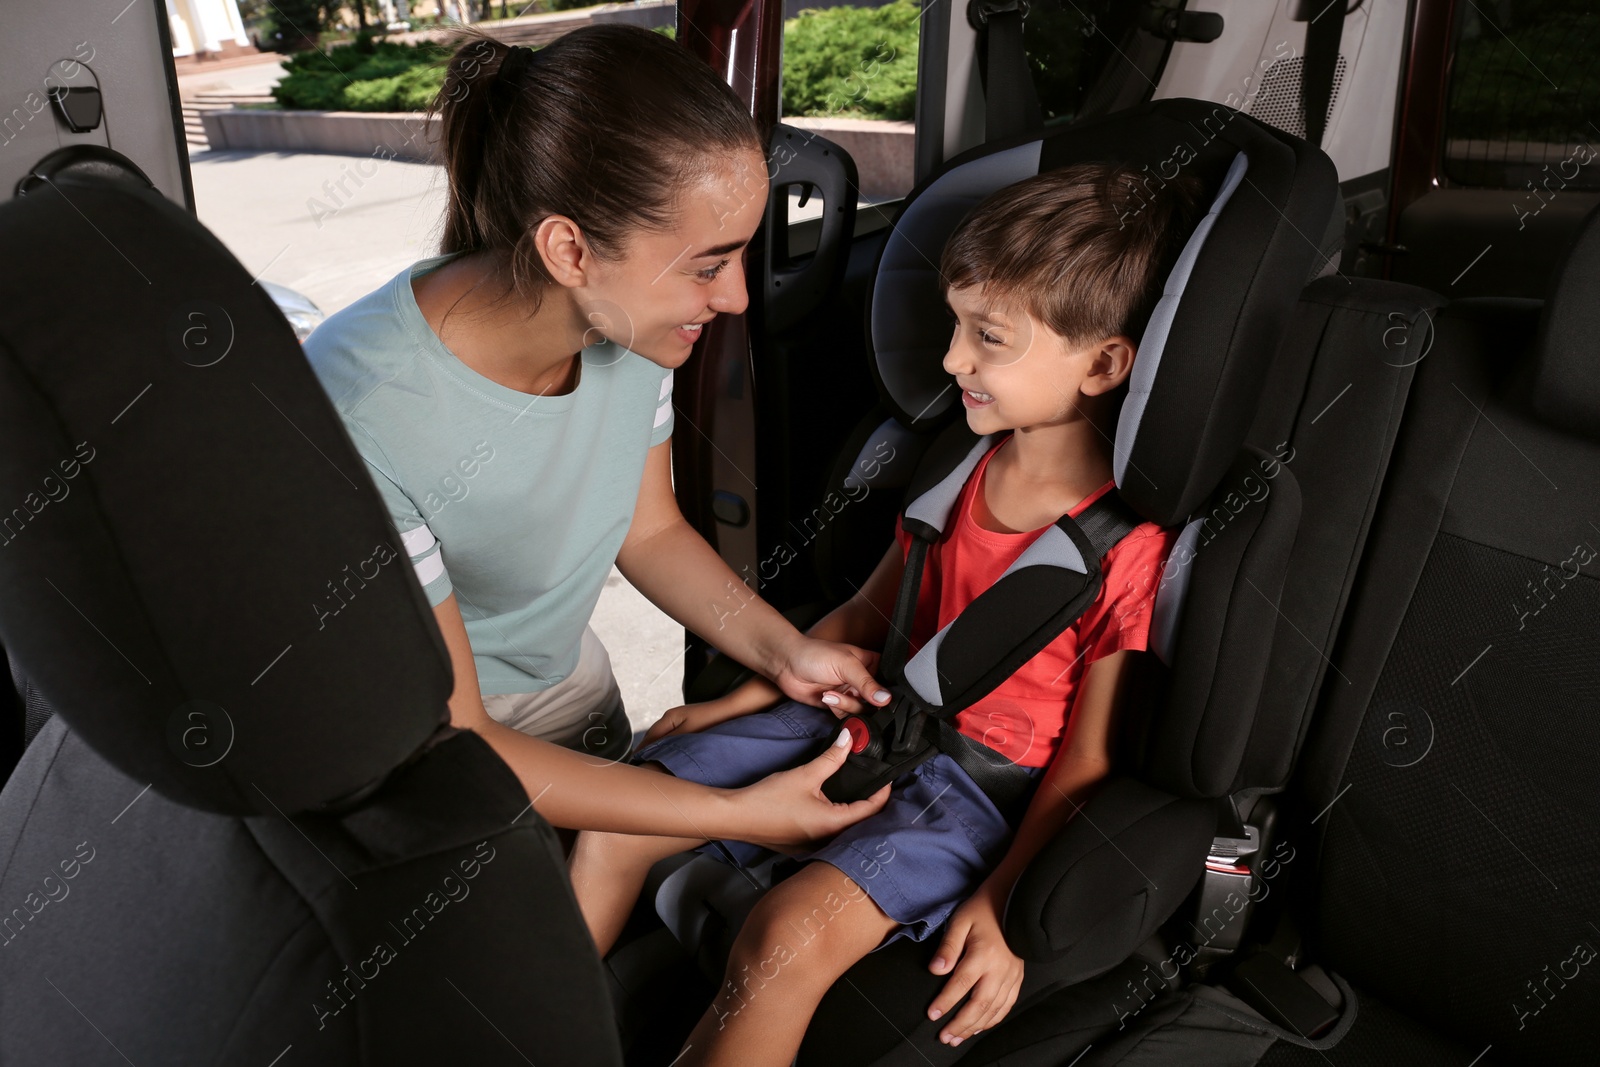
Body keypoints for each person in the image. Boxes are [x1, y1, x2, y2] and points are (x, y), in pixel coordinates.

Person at [567, 160, 1202, 1065]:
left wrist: (1008, 901)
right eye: (955, 327)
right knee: (624, 809)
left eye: (988, 337)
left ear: (1104, 363)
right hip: (874, 718)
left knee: (782, 938)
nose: (951, 360)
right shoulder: (961, 463)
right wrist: (733, 703)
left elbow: (1086, 762)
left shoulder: (1125, 554)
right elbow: (870, 608)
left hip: (978, 795)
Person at [302, 25, 895, 854]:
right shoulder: (362, 409)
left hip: (565, 678)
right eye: (705, 265)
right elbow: (460, 733)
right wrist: (738, 812)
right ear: (569, 249)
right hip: (427, 739)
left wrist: (788, 650)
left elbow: (648, 529)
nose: (733, 299)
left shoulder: (627, 327)